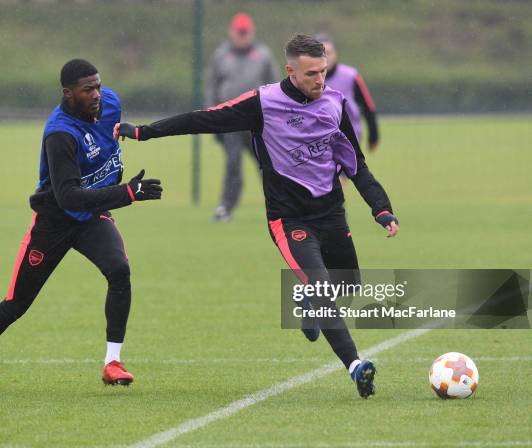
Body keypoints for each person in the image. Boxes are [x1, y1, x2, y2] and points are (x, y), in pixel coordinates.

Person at [114, 35, 399, 398]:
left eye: (324, 71)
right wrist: (143, 132)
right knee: (323, 286)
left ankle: (307, 302)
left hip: (331, 213)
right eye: (311, 73)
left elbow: (356, 164)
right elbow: (205, 118)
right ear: (290, 71)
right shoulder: (263, 103)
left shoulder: (334, 103)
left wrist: (381, 208)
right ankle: (356, 367)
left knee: (349, 286)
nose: (320, 80)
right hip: (289, 220)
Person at [0, 59, 163, 391]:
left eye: (97, 85)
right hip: (55, 221)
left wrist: (121, 164)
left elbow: (106, 145)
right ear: (68, 93)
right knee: (16, 304)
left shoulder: (111, 102)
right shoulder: (60, 133)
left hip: (93, 216)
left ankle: (113, 362)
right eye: (87, 89)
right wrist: (126, 193)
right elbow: (68, 197)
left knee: (119, 270)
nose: (96, 94)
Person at [205, 12, 281, 222]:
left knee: (267, 162)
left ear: (252, 32)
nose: (242, 37)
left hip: (257, 120)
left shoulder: (263, 55)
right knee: (233, 163)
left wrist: (273, 117)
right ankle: (226, 207)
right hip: (230, 120)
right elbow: (212, 86)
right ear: (232, 32)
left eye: (245, 33)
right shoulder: (221, 55)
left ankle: (280, 204)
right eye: (239, 33)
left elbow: (274, 86)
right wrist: (213, 115)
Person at [316, 33, 379, 151]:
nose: (325, 57)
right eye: (320, 54)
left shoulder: (351, 76)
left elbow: (368, 106)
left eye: (328, 53)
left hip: (350, 139)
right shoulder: (307, 79)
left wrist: (373, 136)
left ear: (335, 54)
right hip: (319, 142)